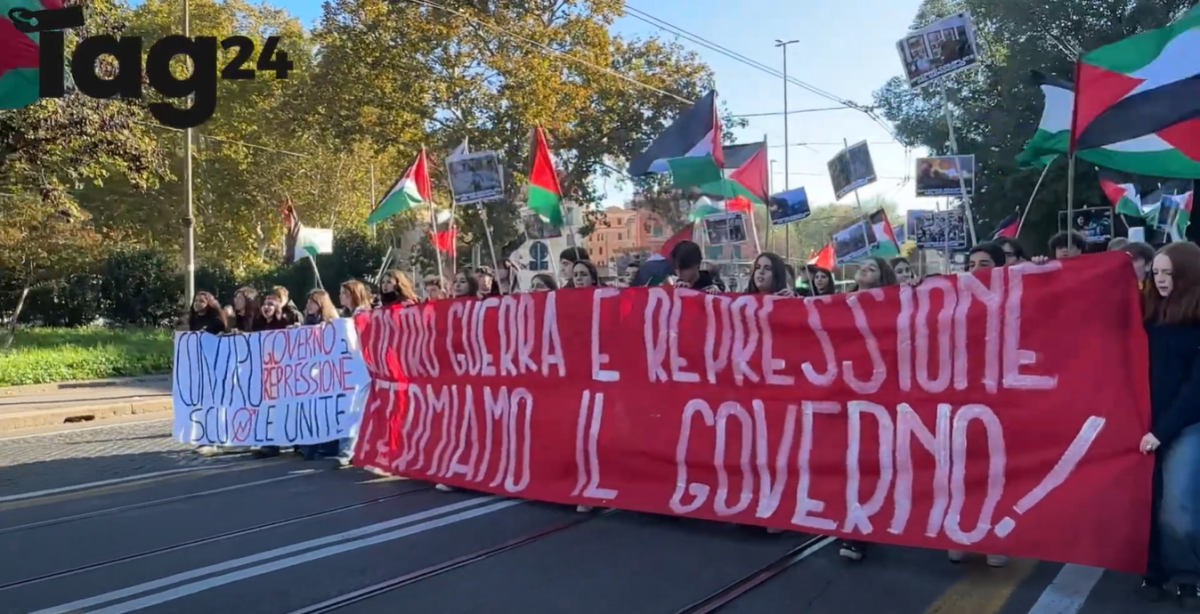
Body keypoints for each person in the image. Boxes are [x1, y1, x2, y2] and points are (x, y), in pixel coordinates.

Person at [1138, 243, 1200, 607]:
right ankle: (1154, 569)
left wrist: (1162, 432)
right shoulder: (1148, 312)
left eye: (1168, 273)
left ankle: (1188, 576)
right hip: (1146, 422)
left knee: (1178, 505)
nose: (1160, 280)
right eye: (1156, 272)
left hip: (1187, 424)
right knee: (1147, 499)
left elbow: (1196, 390)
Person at [840, 256, 899, 563]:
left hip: (877, 395)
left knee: (865, 463)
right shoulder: (837, 305)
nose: (865, 268)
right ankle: (851, 525)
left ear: (882, 278)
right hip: (839, 394)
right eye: (863, 264)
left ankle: (860, 531)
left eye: (873, 267)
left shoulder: (892, 307)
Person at [298, 289, 341, 460]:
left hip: (327, 374)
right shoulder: (307, 322)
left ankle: (329, 445)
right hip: (310, 374)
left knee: (327, 410)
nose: (308, 305)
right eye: (308, 302)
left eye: (312, 302)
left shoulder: (333, 323)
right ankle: (310, 446)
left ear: (321, 304)